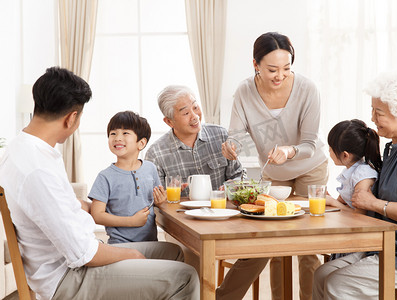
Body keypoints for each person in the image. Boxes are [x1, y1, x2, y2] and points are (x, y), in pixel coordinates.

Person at [0, 67, 199, 300]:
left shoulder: (23, 149)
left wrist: (79, 204)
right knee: (185, 277)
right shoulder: (38, 169)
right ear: (71, 118)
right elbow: (83, 253)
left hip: (71, 259)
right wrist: (131, 256)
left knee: (171, 253)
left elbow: (51, 205)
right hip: (68, 276)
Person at [313, 72, 397, 299]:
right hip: (389, 246)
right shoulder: (394, 147)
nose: (373, 119)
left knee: (339, 284)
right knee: (322, 275)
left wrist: (373, 203)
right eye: (373, 110)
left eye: (379, 113)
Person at [222, 31, 328, 300]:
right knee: (274, 242)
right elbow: (235, 134)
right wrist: (231, 146)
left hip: (310, 168)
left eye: (286, 68)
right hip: (274, 173)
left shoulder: (307, 89)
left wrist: (289, 150)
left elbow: (310, 143)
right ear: (255, 65)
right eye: (272, 69)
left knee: (307, 245)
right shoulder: (244, 91)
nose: (279, 76)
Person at [145, 84, 268, 300]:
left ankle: (222, 298)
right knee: (192, 260)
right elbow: (156, 200)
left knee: (262, 249)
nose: (194, 116)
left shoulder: (220, 135)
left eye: (195, 107)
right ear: (169, 121)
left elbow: (239, 174)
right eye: (185, 112)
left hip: (225, 219)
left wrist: (230, 188)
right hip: (184, 226)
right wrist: (164, 199)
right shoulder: (157, 153)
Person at [89, 111, 166, 244]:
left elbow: (156, 204)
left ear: (141, 143)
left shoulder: (150, 168)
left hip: (150, 242)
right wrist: (131, 222)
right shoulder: (105, 176)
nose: (117, 138)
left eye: (125, 133)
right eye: (113, 133)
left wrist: (161, 201)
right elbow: (97, 215)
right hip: (120, 244)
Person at [326, 119, 381, 214]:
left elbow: (360, 214)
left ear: (345, 155)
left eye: (331, 148)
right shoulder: (351, 171)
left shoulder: (363, 175)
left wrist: (332, 202)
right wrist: (331, 199)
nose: (329, 151)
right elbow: (342, 203)